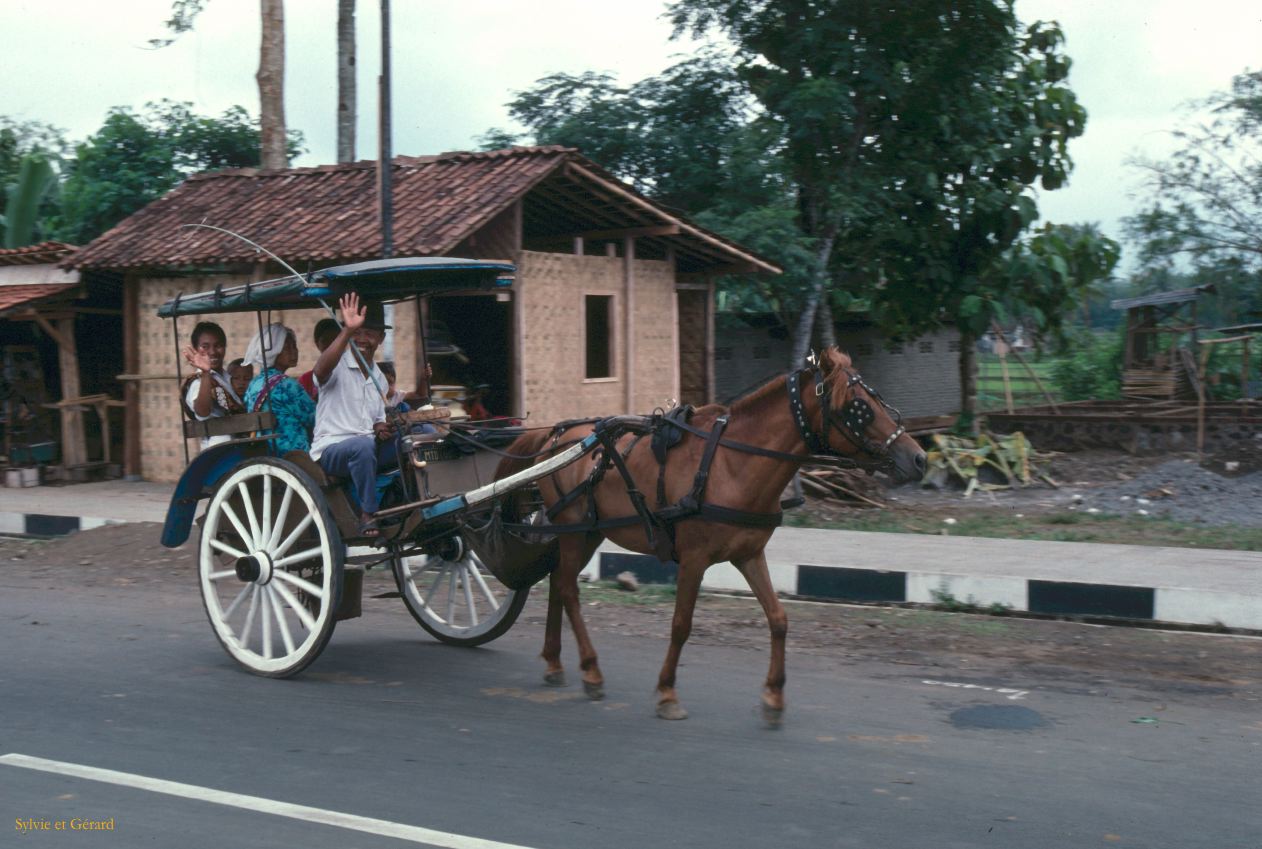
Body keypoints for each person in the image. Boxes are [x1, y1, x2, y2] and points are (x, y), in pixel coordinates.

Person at [310, 293, 396, 536]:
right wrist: (347, 330)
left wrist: (381, 427)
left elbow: (377, 420)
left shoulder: (379, 376)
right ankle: (368, 513)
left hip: (365, 449)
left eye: (369, 333)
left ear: (381, 338)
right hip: (331, 451)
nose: (362, 338)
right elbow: (319, 371)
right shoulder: (336, 363)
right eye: (358, 332)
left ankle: (413, 503)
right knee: (362, 446)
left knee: (416, 437)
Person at [243, 323, 316, 455]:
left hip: (265, 453)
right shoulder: (287, 385)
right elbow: (314, 418)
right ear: (273, 351)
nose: (295, 351)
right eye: (288, 347)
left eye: (294, 346)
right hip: (294, 455)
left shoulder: (253, 385)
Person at [181, 321, 244, 450]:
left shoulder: (228, 379)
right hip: (219, 448)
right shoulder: (198, 382)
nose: (213, 352)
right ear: (195, 349)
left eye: (218, 345)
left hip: (239, 444)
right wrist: (205, 373)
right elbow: (202, 412)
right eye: (205, 346)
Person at [298, 318, 342, 400]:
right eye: (325, 341)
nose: (331, 346)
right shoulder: (306, 380)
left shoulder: (356, 373)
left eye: (335, 340)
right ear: (317, 344)